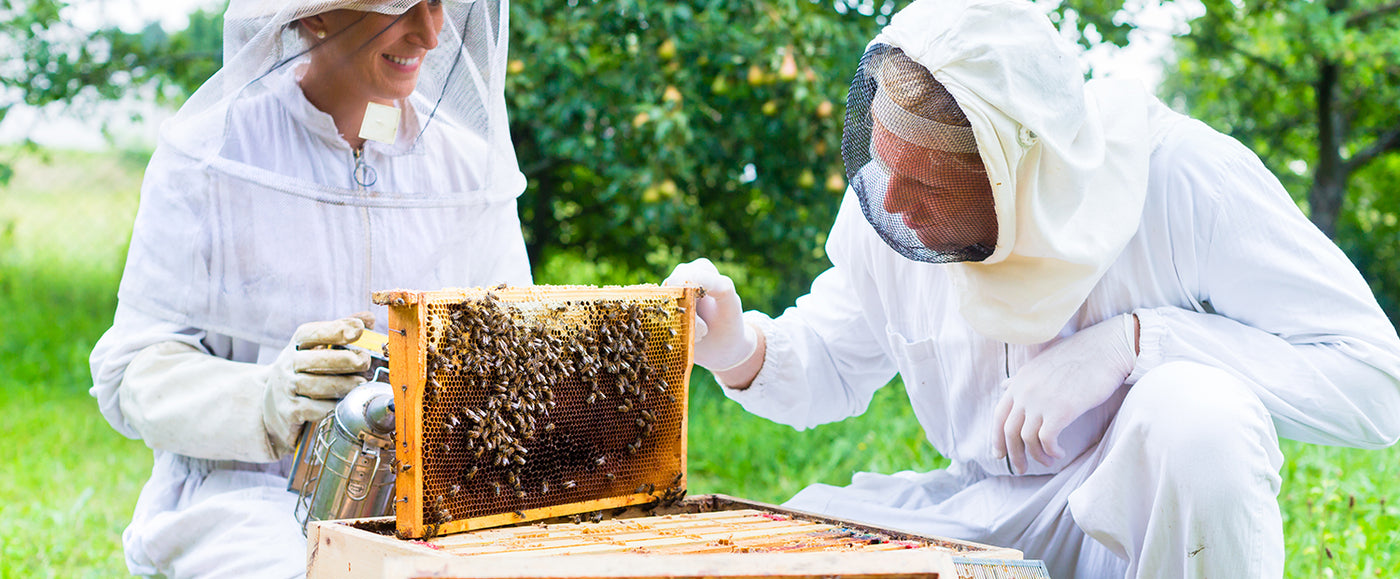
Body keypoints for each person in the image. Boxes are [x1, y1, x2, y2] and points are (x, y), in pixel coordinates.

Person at [664, 0, 1400, 577]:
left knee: (1198, 413)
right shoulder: (890, 201)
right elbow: (830, 361)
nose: (888, 201)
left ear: (1016, 171)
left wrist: (1138, 342)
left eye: (926, 182)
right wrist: (738, 347)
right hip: (971, 516)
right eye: (882, 162)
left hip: (1142, 531)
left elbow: (1376, 382)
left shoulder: (1181, 178)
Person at [88, 1, 530, 576]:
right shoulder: (212, 154)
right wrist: (265, 399)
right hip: (242, 499)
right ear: (314, 11)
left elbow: (519, 355)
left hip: (425, 507)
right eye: (399, 4)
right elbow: (131, 373)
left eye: (438, 2)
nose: (429, 33)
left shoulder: (467, 165)